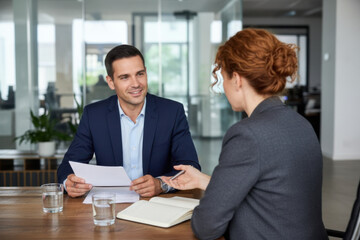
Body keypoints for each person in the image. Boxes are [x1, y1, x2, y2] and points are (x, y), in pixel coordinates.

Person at [162, 29, 328, 239]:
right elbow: (274, 191)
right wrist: (207, 181)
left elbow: (206, 227)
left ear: (237, 79)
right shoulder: (300, 123)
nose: (223, 88)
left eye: (223, 78)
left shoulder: (247, 134)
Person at [57, 45, 200, 198]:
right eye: (125, 77)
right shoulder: (94, 115)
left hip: (156, 204)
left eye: (140, 74)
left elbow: (190, 167)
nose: (136, 84)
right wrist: (69, 182)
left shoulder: (172, 112)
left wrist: (161, 184)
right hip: (110, 206)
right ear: (111, 82)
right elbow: (68, 166)